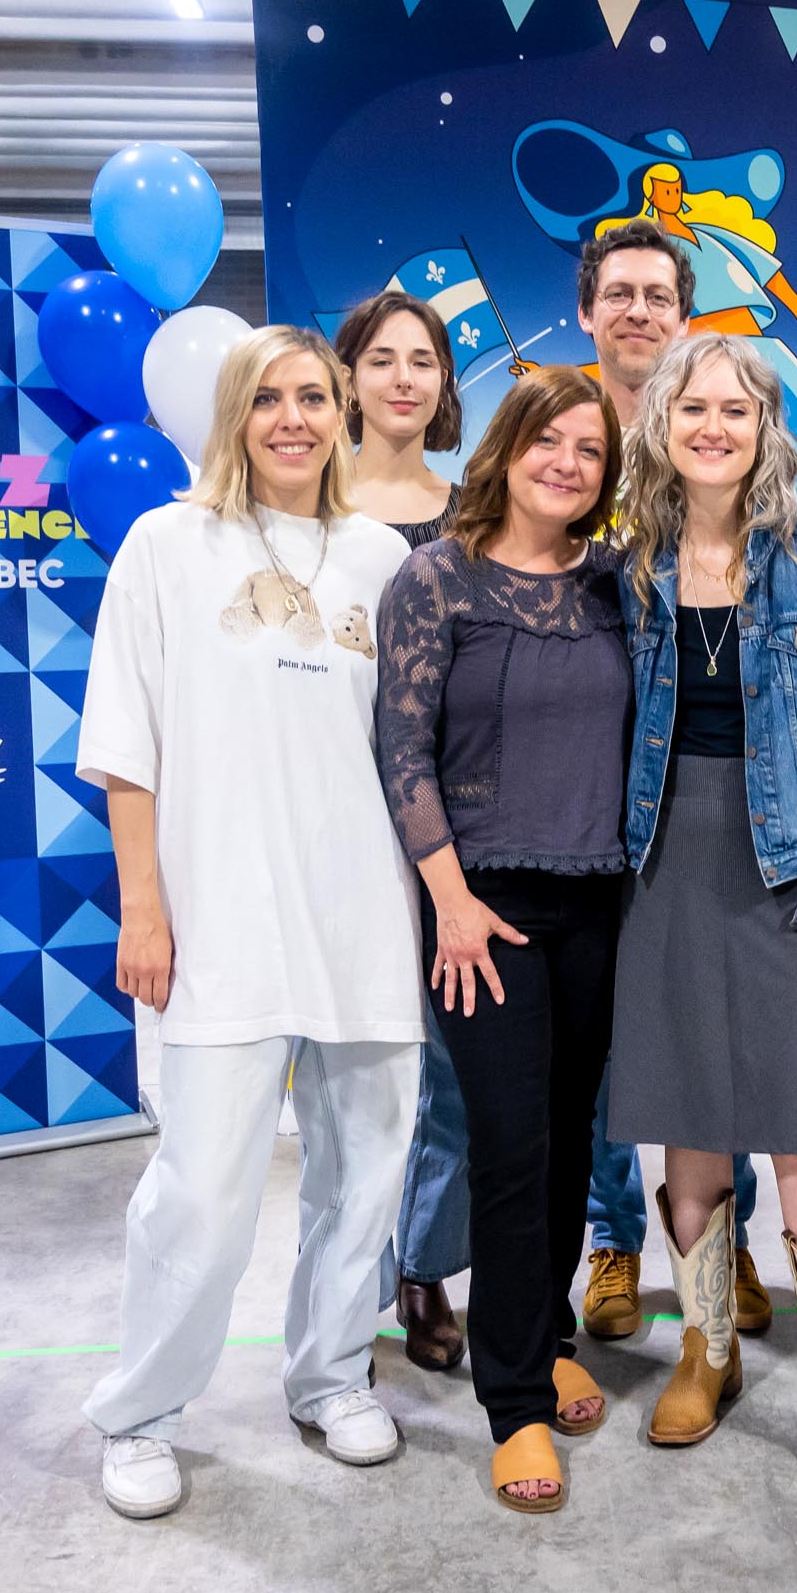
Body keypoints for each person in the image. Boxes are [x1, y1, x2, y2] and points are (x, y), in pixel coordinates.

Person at [78, 325, 424, 1520]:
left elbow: (412, 747)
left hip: (364, 914)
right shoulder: (166, 546)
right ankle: (141, 1410)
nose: (293, 417)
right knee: (204, 1186)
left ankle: (330, 1373)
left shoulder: (382, 557)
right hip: (216, 917)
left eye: (313, 397)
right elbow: (126, 747)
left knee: (365, 1168)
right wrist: (145, 906)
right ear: (233, 414)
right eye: (267, 397)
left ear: (342, 414)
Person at [607, 334, 797, 1505]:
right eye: (692, 407)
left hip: (782, 867)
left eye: (735, 407)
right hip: (661, 860)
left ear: (765, 426)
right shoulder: (628, 565)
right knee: (686, 1118)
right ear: (661, 423)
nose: (713, 425)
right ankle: (706, 1347)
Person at [374, 366, 630, 1513]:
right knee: (509, 1147)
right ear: (506, 446)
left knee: (573, 1138)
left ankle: (547, 1326)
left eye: (589, 448)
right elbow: (401, 748)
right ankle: (515, 1402)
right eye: (548, 440)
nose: (566, 461)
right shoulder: (435, 578)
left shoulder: (621, 585)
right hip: (485, 912)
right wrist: (451, 898)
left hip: (603, 903)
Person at [548, 220, 771, 1343]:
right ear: (587, 311)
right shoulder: (566, 442)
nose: (637, 310)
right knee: (606, 1045)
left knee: (716, 1028)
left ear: (684, 318)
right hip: (590, 801)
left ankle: (720, 1244)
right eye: (617, 292)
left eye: (656, 294)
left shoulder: (718, 441)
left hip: (712, 805)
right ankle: (611, 1243)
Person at [333, 292, 471, 1372]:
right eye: (380, 359)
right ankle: (338, 1283)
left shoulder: (470, 513)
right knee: (356, 1075)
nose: (401, 379)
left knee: (447, 1072)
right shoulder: (304, 504)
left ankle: (422, 1268)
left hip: (440, 824)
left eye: (421, 360)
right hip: (328, 817)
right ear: (347, 378)